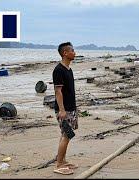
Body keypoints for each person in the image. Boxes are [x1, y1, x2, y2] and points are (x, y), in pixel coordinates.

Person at [52, 42, 78, 175]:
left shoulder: (69, 69)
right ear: (65, 53)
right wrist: (61, 110)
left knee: (65, 135)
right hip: (64, 109)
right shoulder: (58, 70)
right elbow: (58, 91)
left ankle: (62, 160)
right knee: (66, 135)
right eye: (72, 51)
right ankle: (58, 165)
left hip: (71, 108)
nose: (75, 53)